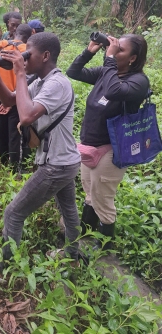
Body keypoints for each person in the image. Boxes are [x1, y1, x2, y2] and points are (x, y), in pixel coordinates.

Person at [0, 32, 81, 265]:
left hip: (56, 165)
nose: (24, 59)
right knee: (69, 211)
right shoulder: (41, 81)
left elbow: (25, 116)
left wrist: (20, 72)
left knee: (13, 214)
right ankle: (73, 255)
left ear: (45, 56)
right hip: (65, 160)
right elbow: (9, 101)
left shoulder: (57, 84)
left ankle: (8, 266)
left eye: (28, 54)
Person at [66, 34, 149, 250]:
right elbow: (73, 72)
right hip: (89, 142)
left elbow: (114, 91)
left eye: (120, 49)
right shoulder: (106, 72)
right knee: (90, 191)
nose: (111, 50)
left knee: (103, 197)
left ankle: (105, 245)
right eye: (113, 46)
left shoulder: (138, 81)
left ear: (132, 58)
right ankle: (86, 227)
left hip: (112, 148)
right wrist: (89, 51)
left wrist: (109, 59)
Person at [0, 23, 33, 171]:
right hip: (16, 100)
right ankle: (15, 170)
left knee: (0, 133)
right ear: (29, 37)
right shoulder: (26, 52)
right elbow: (28, 79)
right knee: (16, 136)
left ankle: (3, 165)